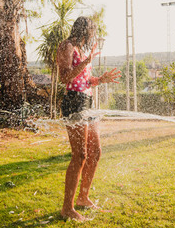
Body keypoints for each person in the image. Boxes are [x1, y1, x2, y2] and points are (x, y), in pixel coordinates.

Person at [56, 16, 121, 221]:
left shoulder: (83, 51)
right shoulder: (67, 46)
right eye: (92, 31)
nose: (93, 36)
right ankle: (67, 208)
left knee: (95, 152)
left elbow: (85, 80)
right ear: (86, 30)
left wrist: (100, 80)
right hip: (74, 103)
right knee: (80, 155)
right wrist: (86, 61)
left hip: (87, 101)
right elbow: (65, 77)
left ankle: (83, 198)